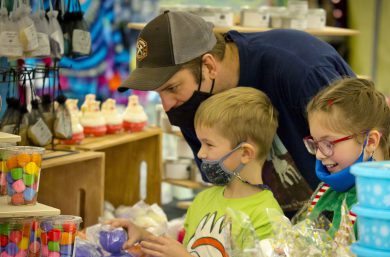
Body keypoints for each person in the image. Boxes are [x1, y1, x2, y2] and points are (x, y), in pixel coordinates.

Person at [118, 10, 355, 217]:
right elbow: (223, 182)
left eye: (172, 88)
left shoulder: (300, 69)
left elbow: (358, 156)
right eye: (158, 93)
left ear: (209, 66)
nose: (167, 105)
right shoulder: (193, 100)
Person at [109, 87, 283, 257]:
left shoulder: (266, 215)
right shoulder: (203, 200)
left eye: (209, 144)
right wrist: (146, 239)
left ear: (245, 153)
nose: (201, 153)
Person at [293, 78, 390, 238]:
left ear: (371, 141)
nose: (319, 154)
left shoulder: (389, 205)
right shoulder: (328, 192)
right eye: (316, 144)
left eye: (327, 143)